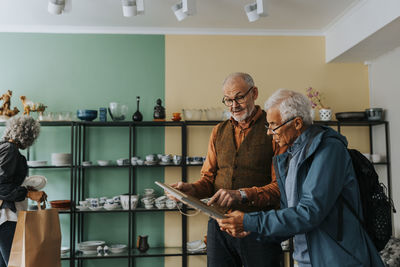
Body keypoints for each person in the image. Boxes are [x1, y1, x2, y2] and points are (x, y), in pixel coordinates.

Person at [217, 89, 385, 267]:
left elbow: (309, 212)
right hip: (307, 261)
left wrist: (250, 221)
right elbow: (293, 218)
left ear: (297, 123)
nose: (269, 133)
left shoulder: (329, 150)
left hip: (339, 260)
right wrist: (250, 229)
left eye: (274, 125)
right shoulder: (290, 156)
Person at [170, 73, 285, 267]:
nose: (234, 105)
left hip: (258, 228)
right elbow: (208, 180)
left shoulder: (274, 128)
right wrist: (191, 190)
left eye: (239, 97)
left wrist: (242, 195)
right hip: (219, 228)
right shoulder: (218, 131)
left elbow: (281, 187)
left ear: (254, 93)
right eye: (228, 100)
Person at [0, 116, 46, 267]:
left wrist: (27, 189)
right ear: (29, 135)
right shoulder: (10, 150)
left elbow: (7, 181)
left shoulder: (4, 147)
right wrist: (28, 193)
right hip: (6, 218)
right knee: (16, 264)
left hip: (4, 217)